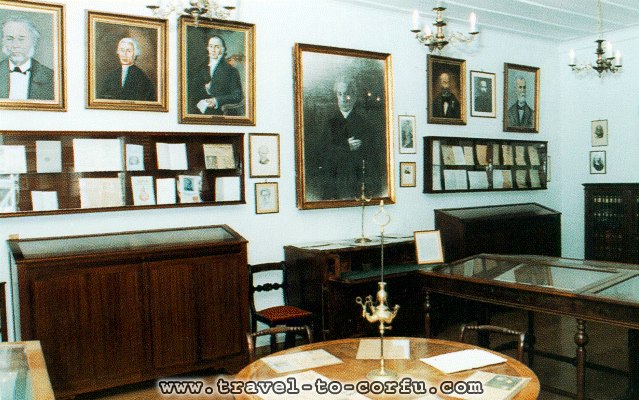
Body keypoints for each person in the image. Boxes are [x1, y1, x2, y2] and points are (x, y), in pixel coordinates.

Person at [312, 75, 385, 200]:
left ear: (355, 97)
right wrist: (345, 147)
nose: (343, 99)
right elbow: (321, 156)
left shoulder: (365, 125)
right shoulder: (329, 123)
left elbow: (373, 161)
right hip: (333, 186)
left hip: (356, 187)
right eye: (339, 94)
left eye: (347, 94)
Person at [0, 16, 54, 100]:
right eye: (9, 39)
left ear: (34, 41)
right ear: (3, 41)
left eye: (21, 39)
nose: (15, 45)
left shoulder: (51, 77)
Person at [190, 35, 243, 115]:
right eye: (211, 46)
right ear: (208, 48)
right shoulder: (201, 68)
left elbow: (237, 96)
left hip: (219, 112)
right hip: (198, 110)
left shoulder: (231, 71)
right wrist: (206, 89)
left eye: (216, 47)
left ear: (222, 49)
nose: (213, 50)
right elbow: (192, 93)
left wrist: (216, 100)